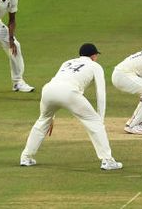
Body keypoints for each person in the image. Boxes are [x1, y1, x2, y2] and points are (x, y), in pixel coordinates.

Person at [20, 43, 123, 171]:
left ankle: (25, 157)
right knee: (95, 123)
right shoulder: (95, 66)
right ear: (94, 56)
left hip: (48, 90)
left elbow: (58, 83)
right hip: (69, 92)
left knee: (42, 122)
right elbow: (100, 93)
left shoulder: (67, 62)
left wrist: (51, 116)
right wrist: (99, 119)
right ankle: (108, 160)